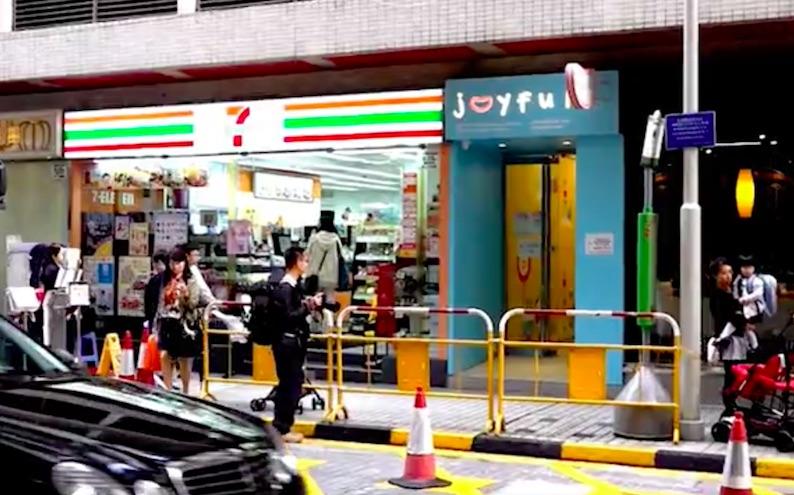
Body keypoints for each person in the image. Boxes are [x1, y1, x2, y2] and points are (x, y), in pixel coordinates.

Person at [272, 247, 322, 443]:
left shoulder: (294, 286)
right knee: (289, 385)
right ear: (296, 262)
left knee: (291, 383)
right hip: (287, 343)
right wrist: (308, 306)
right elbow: (288, 317)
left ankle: (283, 426)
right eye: (304, 260)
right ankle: (281, 427)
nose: (307, 264)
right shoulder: (285, 288)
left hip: (293, 342)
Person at [709, 257, 759, 416]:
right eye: (723, 273)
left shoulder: (732, 293)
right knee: (731, 374)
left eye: (730, 272)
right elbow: (729, 317)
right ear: (715, 276)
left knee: (738, 373)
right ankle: (729, 406)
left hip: (738, 338)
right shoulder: (718, 295)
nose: (728, 276)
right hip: (729, 340)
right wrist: (743, 323)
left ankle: (733, 403)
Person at [155, 248, 201, 393]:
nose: (175, 266)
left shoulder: (191, 280)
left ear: (184, 263)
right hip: (167, 321)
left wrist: (185, 295)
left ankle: (185, 390)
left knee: (183, 358)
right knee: (165, 355)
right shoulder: (164, 280)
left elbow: (193, 303)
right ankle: (168, 390)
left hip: (183, 323)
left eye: (179, 263)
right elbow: (159, 301)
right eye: (172, 263)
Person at [306, 212, 344, 296]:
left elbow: (307, 254)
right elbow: (342, 255)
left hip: (316, 275)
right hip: (332, 276)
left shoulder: (314, 238)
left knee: (316, 299)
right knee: (330, 299)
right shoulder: (336, 239)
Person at [733, 254, 766, 324]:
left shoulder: (757, 280)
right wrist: (736, 299)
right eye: (744, 267)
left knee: (751, 325)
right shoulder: (738, 279)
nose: (747, 270)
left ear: (754, 268)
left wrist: (745, 299)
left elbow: (758, 294)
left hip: (754, 308)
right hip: (742, 307)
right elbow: (735, 290)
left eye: (749, 267)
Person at [144, 252, 168, 333]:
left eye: (154, 263)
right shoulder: (172, 278)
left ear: (159, 262)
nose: (153, 266)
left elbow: (150, 299)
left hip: (155, 315)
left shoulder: (156, 279)